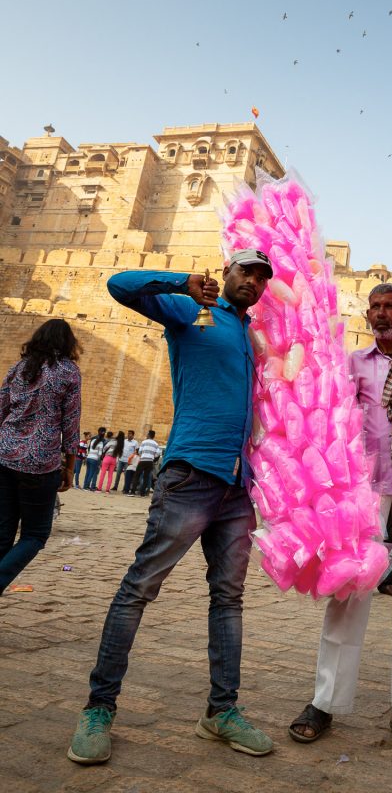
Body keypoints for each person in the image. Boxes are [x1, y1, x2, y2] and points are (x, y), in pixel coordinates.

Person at [68, 249, 275, 765]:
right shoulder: (191, 312)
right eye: (244, 271)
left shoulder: (251, 339)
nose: (252, 281)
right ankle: (98, 710)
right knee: (140, 588)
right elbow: (119, 284)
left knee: (228, 600)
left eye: (261, 277)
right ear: (224, 271)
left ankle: (220, 712)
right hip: (190, 477)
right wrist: (182, 282)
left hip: (236, 488)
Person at [289, 283, 392, 754]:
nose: (382, 313)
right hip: (363, 487)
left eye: (390, 306)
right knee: (350, 588)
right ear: (367, 313)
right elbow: (333, 417)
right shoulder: (354, 362)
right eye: (375, 306)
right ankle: (325, 701)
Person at [0, 319, 81, 595]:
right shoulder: (68, 372)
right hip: (39, 463)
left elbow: (1, 410)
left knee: (2, 536)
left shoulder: (19, 368)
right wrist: (69, 468)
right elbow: (71, 423)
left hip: (5, 455)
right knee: (34, 535)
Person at [131, 430, 160, 496]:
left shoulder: (144, 442)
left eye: (147, 434)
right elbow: (158, 453)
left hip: (143, 460)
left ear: (149, 435)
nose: (146, 435)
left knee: (137, 476)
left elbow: (140, 451)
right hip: (150, 462)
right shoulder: (156, 444)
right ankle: (142, 493)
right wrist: (152, 456)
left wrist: (143, 455)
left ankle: (132, 492)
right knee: (146, 477)